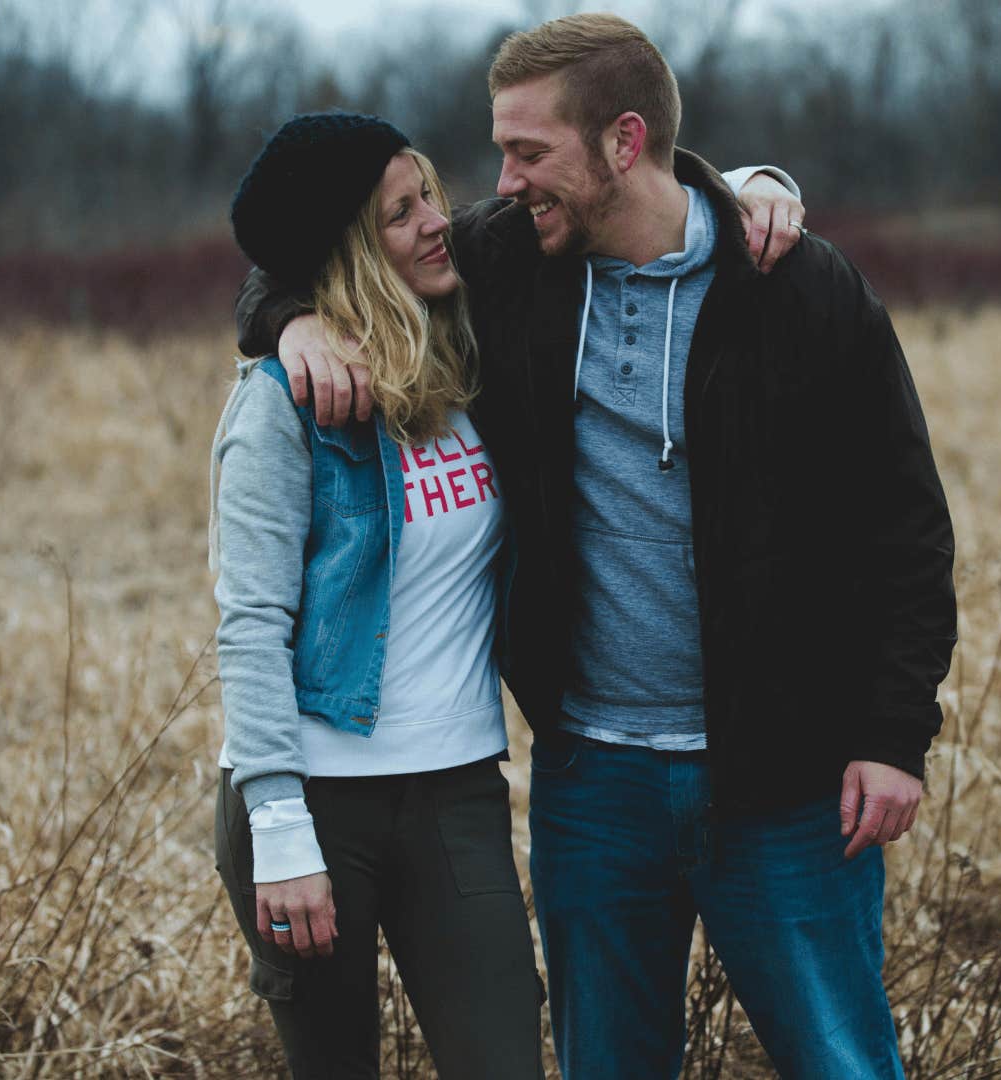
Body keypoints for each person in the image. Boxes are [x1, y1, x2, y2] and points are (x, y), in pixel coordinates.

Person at [239, 15, 956, 1078]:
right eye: (500, 149)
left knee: (844, 1064)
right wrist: (287, 316)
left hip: (785, 781)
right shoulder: (511, 264)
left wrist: (895, 734)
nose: (503, 179)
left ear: (624, 142)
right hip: (595, 783)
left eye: (529, 152)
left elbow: (904, 523)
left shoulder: (800, 289)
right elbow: (345, 255)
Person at [209, 111, 806, 1078]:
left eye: (429, 193)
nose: (437, 221)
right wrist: (279, 827)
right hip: (312, 801)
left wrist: (755, 179)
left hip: (456, 792)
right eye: (401, 216)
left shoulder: (471, 341)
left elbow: (618, 199)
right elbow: (249, 626)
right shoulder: (283, 406)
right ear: (353, 254)